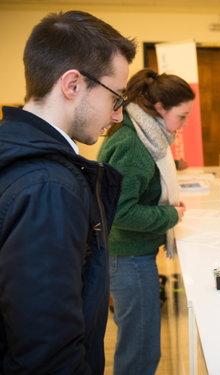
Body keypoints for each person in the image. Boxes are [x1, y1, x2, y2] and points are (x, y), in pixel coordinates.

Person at [0, 10, 136, 373]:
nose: (117, 115)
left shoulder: (14, 148)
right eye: (116, 97)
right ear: (72, 85)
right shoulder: (49, 186)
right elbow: (48, 350)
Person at [97, 68, 194, 375]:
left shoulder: (139, 134)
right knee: (140, 348)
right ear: (161, 109)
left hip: (129, 255)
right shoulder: (135, 145)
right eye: (182, 116)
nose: (185, 124)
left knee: (139, 342)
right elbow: (121, 211)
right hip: (128, 258)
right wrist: (169, 214)